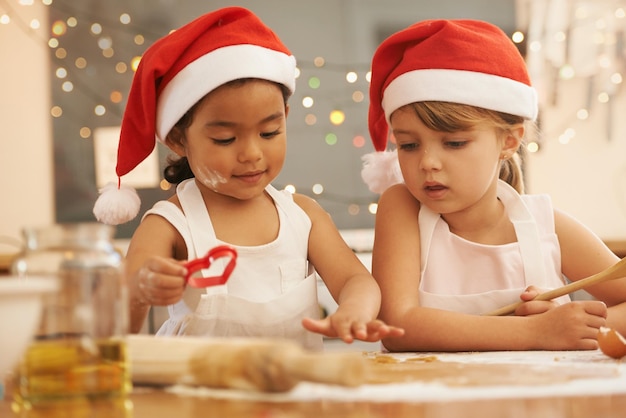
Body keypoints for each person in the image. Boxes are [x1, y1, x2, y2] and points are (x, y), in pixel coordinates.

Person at [92, 6, 403, 350]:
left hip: (292, 393)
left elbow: (356, 281)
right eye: (225, 139)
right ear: (179, 139)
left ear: (285, 117)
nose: (252, 153)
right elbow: (117, 329)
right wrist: (140, 291)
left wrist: (355, 309)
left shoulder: (303, 216)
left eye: (269, 132)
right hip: (197, 396)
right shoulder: (170, 225)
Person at [360, 19, 626, 352]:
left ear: (509, 141)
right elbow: (397, 327)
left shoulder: (547, 224)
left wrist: (575, 326)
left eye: (454, 143)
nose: (427, 162)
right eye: (409, 145)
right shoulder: (401, 207)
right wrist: (536, 333)